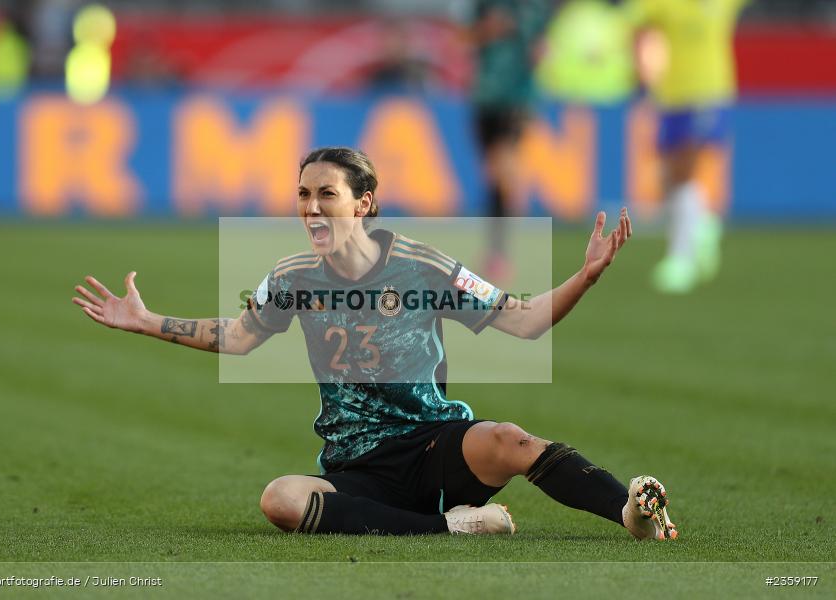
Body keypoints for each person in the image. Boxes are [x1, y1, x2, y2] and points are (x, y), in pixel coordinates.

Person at [73, 147, 676, 539]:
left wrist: (586, 276)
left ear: (362, 203)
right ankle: (452, 528)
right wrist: (147, 320)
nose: (311, 208)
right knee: (281, 500)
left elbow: (523, 321)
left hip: (435, 442)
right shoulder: (291, 279)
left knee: (510, 439)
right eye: (303, 195)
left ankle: (628, 511)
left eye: (325, 195)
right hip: (356, 462)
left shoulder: (422, 266)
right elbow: (237, 337)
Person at [626, 0, 750, 293]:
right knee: (670, 177)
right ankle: (703, 223)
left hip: (709, 92)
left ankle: (681, 257)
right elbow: (636, 26)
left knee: (683, 171)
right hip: (672, 94)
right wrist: (642, 68)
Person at [469, 0, 555, 283]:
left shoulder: (536, 8)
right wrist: (490, 30)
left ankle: (502, 253)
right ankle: (499, 251)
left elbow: (544, 46)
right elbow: (466, 36)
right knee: (494, 178)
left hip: (515, 99)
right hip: (485, 97)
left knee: (505, 171)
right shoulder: (487, 4)